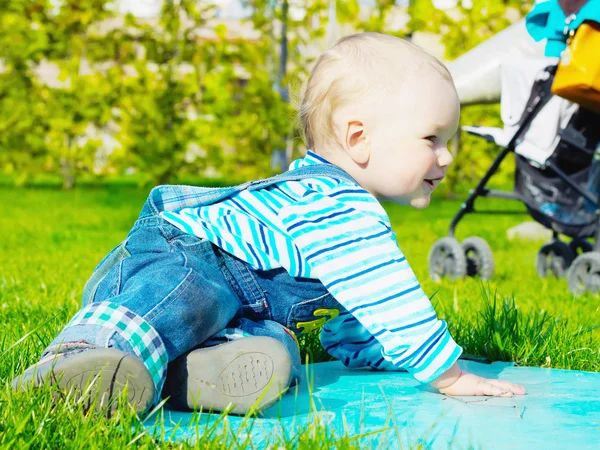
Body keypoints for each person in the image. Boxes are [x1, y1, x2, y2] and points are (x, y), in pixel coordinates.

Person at [12, 32, 526, 416]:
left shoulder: (343, 211)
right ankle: (78, 360)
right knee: (180, 299)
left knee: (275, 348)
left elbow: (362, 311)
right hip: (186, 253)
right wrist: (448, 373)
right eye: (432, 138)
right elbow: (391, 298)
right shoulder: (340, 207)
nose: (448, 156)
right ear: (358, 138)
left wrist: (385, 353)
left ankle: (176, 376)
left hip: (243, 303)